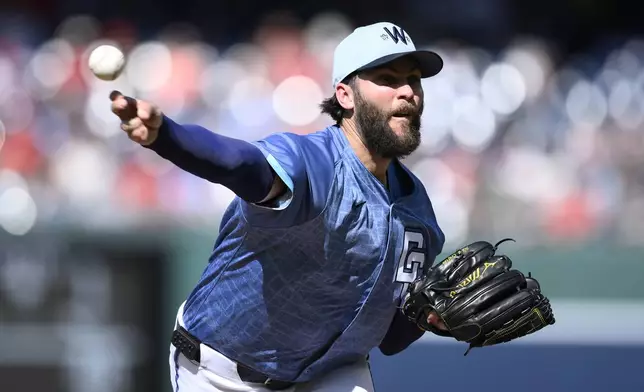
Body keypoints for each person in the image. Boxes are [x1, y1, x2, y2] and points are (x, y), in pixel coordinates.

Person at [111, 21, 448, 392]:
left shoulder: (417, 214)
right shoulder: (312, 164)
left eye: (414, 80)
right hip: (221, 374)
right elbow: (241, 164)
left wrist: (431, 318)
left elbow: (392, 338)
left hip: (332, 374)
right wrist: (168, 136)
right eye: (387, 78)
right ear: (345, 96)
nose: (407, 92)